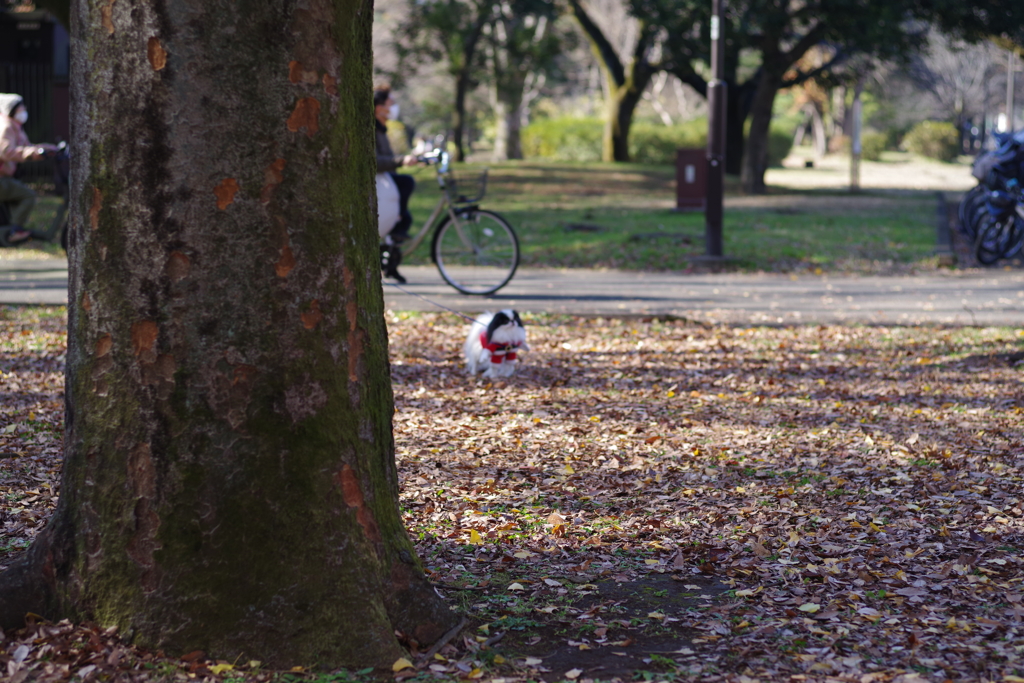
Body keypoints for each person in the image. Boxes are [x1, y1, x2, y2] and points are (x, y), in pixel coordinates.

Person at [374, 85, 420, 283]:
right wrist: (401, 161)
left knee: (405, 222)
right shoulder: (372, 129)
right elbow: (376, 161)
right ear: (378, 107)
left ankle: (391, 265)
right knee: (407, 183)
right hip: (379, 183)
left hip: (386, 181)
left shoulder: (382, 129)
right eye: (389, 104)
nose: (393, 108)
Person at [0, 94, 56, 246]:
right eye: (20, 108)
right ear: (11, 110)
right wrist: (32, 153)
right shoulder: (5, 127)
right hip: (2, 178)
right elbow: (6, 152)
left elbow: (27, 147)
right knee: (28, 195)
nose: (24, 110)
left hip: (6, 176)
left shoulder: (15, 127)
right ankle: (14, 231)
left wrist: (48, 148)